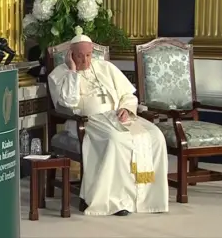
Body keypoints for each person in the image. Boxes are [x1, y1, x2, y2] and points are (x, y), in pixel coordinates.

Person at [48, 34, 169, 216]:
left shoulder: (106, 67)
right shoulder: (58, 74)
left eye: (88, 55)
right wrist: (73, 71)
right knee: (116, 139)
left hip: (116, 116)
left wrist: (126, 109)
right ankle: (116, 201)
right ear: (70, 55)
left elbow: (128, 95)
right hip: (86, 121)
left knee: (155, 135)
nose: (85, 60)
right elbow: (67, 103)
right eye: (80, 56)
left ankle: (149, 198)